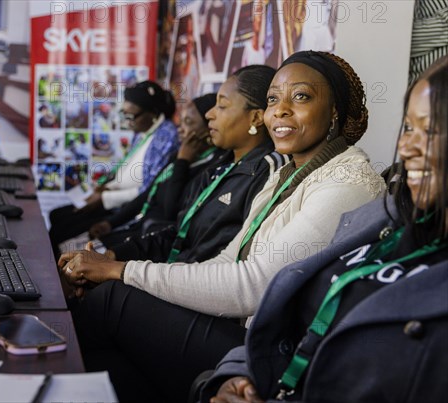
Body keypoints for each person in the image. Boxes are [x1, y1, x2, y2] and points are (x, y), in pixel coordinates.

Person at [59, 52, 385, 402]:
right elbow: (227, 262)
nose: (281, 110)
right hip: (242, 336)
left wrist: (120, 271)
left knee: (111, 299)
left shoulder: (347, 182)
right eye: (274, 98)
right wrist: (117, 270)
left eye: (301, 96)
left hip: (268, 356)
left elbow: (252, 287)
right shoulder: (286, 173)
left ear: (335, 109)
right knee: (109, 361)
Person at [203, 55, 448, 403]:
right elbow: (291, 310)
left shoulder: (352, 185)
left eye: (432, 130)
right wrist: (240, 374)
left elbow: (252, 285)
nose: (406, 147)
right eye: (408, 128)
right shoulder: (387, 220)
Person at [98, 66, 287, 264]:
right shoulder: (221, 166)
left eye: (221, 106)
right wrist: (116, 255)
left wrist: (126, 271)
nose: (210, 115)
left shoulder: (269, 173)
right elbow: (180, 234)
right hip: (170, 270)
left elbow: (222, 268)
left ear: (256, 118)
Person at [49, 81, 179, 258]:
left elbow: (148, 190)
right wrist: (105, 187)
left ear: (153, 113)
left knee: (61, 231)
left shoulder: (167, 137)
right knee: (57, 216)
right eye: (124, 114)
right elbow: (126, 169)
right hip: (114, 199)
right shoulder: (145, 129)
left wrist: (104, 198)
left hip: (128, 210)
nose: (127, 121)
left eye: (131, 116)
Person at [88, 93, 222, 249]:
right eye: (181, 121)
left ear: (209, 129)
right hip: (139, 227)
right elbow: (150, 192)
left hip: (156, 241)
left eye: (188, 122)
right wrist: (110, 223)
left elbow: (170, 210)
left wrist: (182, 162)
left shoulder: (208, 166)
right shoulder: (180, 155)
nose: (180, 129)